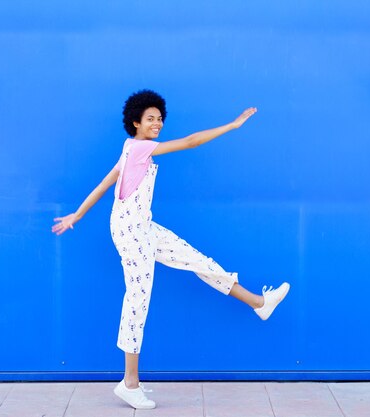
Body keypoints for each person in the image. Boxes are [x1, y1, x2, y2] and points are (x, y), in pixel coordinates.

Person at [52, 89, 290, 410]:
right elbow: (191, 141)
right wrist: (231, 127)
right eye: (150, 119)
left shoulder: (130, 149)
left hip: (144, 227)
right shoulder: (139, 148)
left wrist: (77, 215)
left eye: (160, 118)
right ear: (135, 122)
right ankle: (129, 383)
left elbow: (106, 181)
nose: (158, 123)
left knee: (198, 261)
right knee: (138, 298)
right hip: (131, 232)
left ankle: (259, 303)